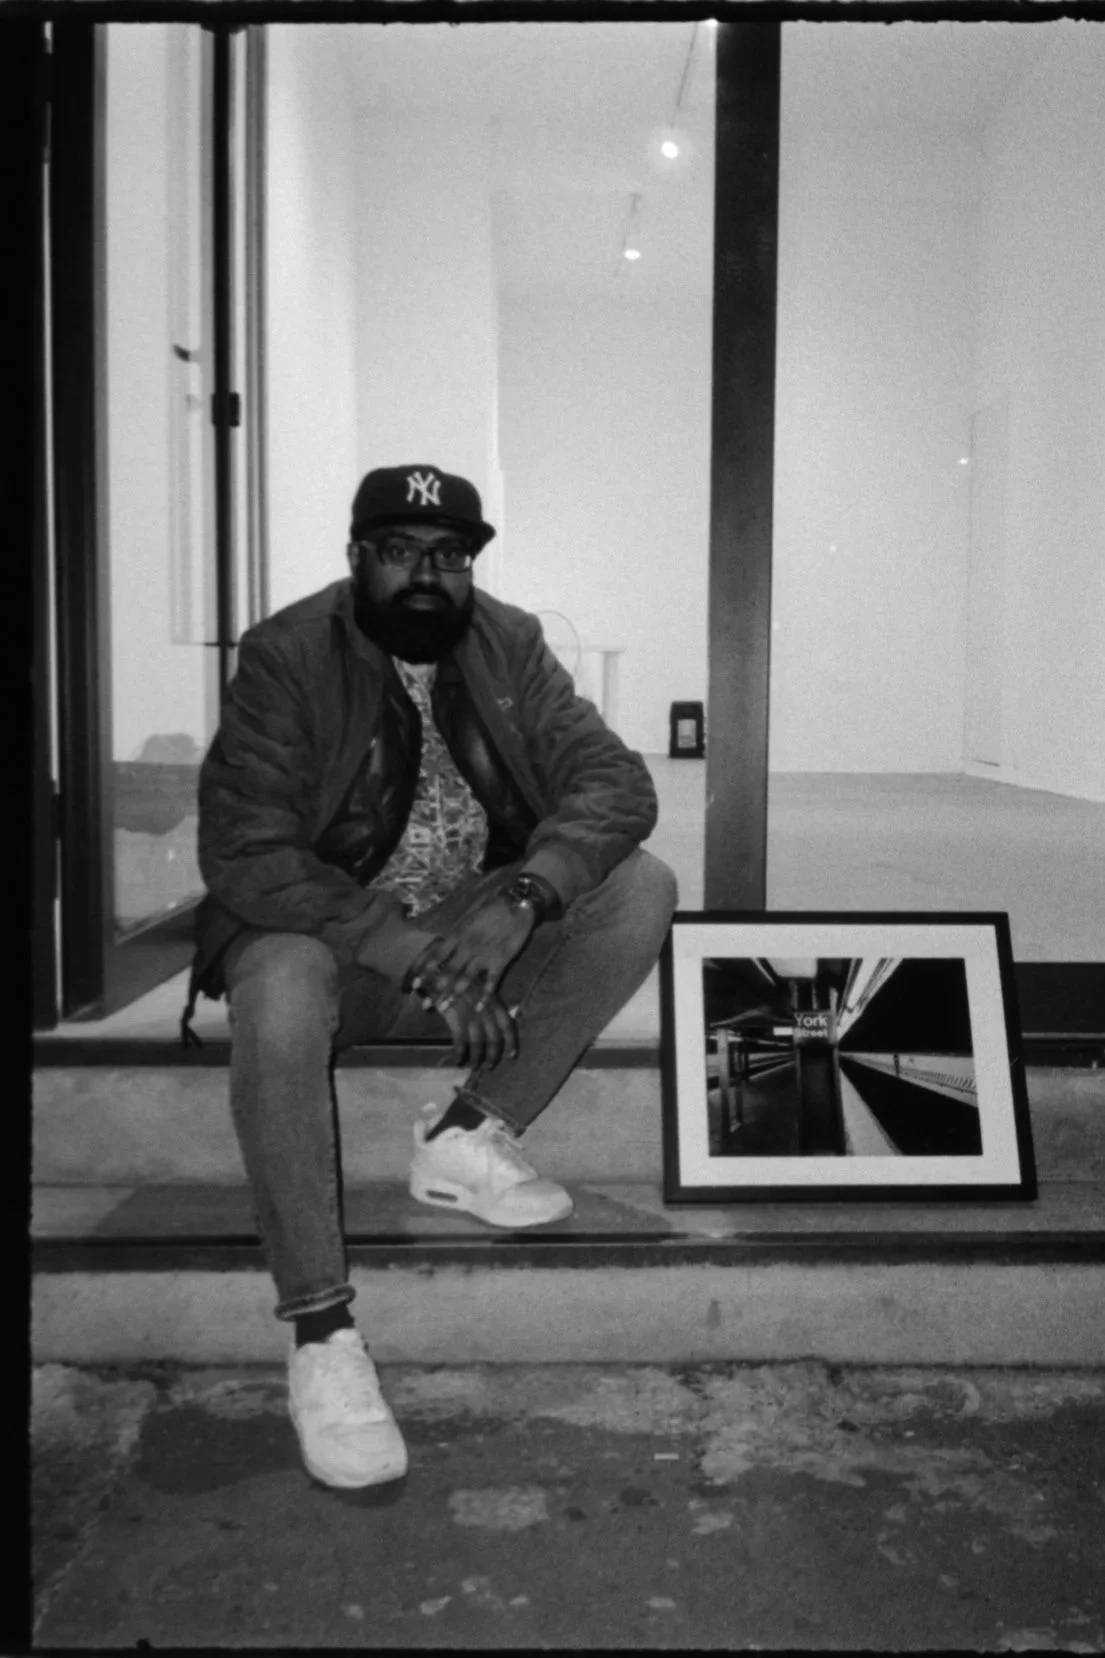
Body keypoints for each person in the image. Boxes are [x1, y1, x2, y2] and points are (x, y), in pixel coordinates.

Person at [180, 463, 678, 1490]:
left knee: (639, 886)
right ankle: (321, 1330)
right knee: (274, 983)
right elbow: (248, 849)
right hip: (339, 947)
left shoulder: (508, 640)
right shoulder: (284, 654)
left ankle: (464, 1134)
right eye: (401, 551)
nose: (427, 574)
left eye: (447, 555)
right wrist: (403, 947)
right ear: (358, 556)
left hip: (478, 933)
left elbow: (614, 783)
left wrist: (524, 898)